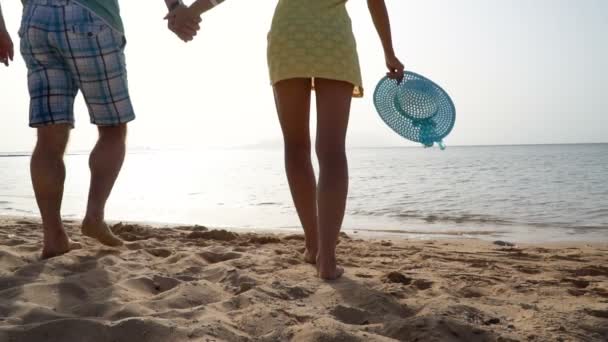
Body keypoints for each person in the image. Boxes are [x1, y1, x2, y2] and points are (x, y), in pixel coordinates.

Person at [167, 0, 404, 280]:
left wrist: (190, 11)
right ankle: (327, 258)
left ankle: (313, 245)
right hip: (333, 41)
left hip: (289, 37)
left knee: (296, 148)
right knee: (332, 152)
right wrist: (389, 52)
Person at [0, 0, 199, 259]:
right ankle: (94, 216)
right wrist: (175, 6)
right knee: (113, 128)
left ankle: (54, 237)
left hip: (35, 20)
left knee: (48, 137)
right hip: (89, 14)